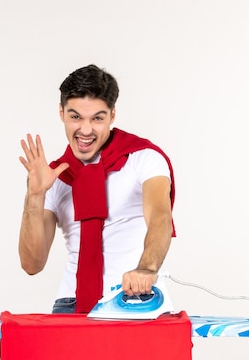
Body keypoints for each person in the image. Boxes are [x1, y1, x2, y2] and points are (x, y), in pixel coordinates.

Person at [18, 64, 176, 314]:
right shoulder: (55, 175)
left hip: (136, 299)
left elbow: (160, 216)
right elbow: (32, 263)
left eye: (98, 118)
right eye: (75, 117)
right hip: (71, 304)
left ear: (112, 116)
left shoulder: (143, 158)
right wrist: (34, 197)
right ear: (61, 113)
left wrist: (146, 268)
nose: (86, 129)